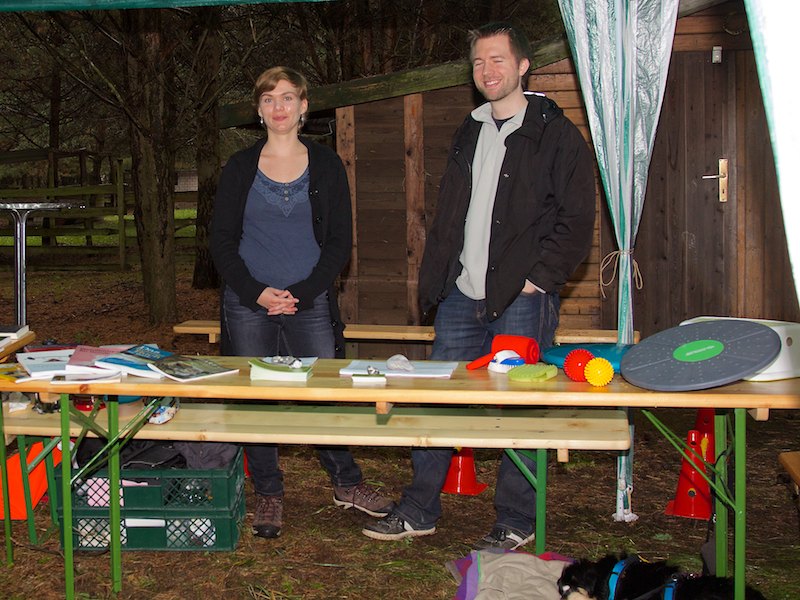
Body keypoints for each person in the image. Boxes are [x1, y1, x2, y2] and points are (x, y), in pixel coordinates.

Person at [362, 22, 596, 549]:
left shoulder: (556, 135)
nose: (487, 71)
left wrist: (538, 281)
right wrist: (441, 280)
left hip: (520, 300)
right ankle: (419, 509)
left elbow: (577, 219)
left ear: (523, 66)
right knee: (435, 402)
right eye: (478, 62)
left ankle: (515, 520)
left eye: (497, 60)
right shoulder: (469, 131)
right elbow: (453, 215)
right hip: (460, 296)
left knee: (520, 407)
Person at [210, 66, 393, 540]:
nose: (279, 107)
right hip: (248, 302)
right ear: (258, 109)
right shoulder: (239, 167)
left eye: (288, 97)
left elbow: (340, 241)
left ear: (304, 106)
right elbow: (221, 241)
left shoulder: (327, 165)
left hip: (309, 301)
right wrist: (256, 292)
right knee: (256, 401)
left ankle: (346, 483)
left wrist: (304, 292)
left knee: (325, 393)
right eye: (269, 99)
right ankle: (269, 492)